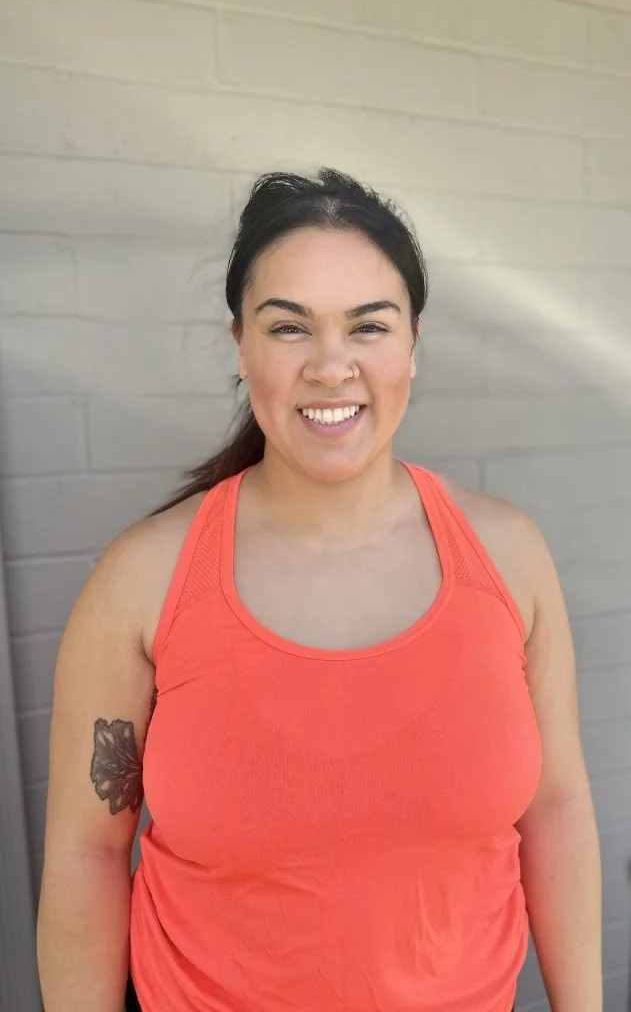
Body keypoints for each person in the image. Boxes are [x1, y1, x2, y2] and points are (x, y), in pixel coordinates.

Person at [37, 168, 602, 1012]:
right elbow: (86, 853)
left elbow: (555, 807)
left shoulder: (509, 557)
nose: (331, 367)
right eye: (288, 327)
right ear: (241, 346)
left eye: (368, 326)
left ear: (412, 343)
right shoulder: (144, 578)